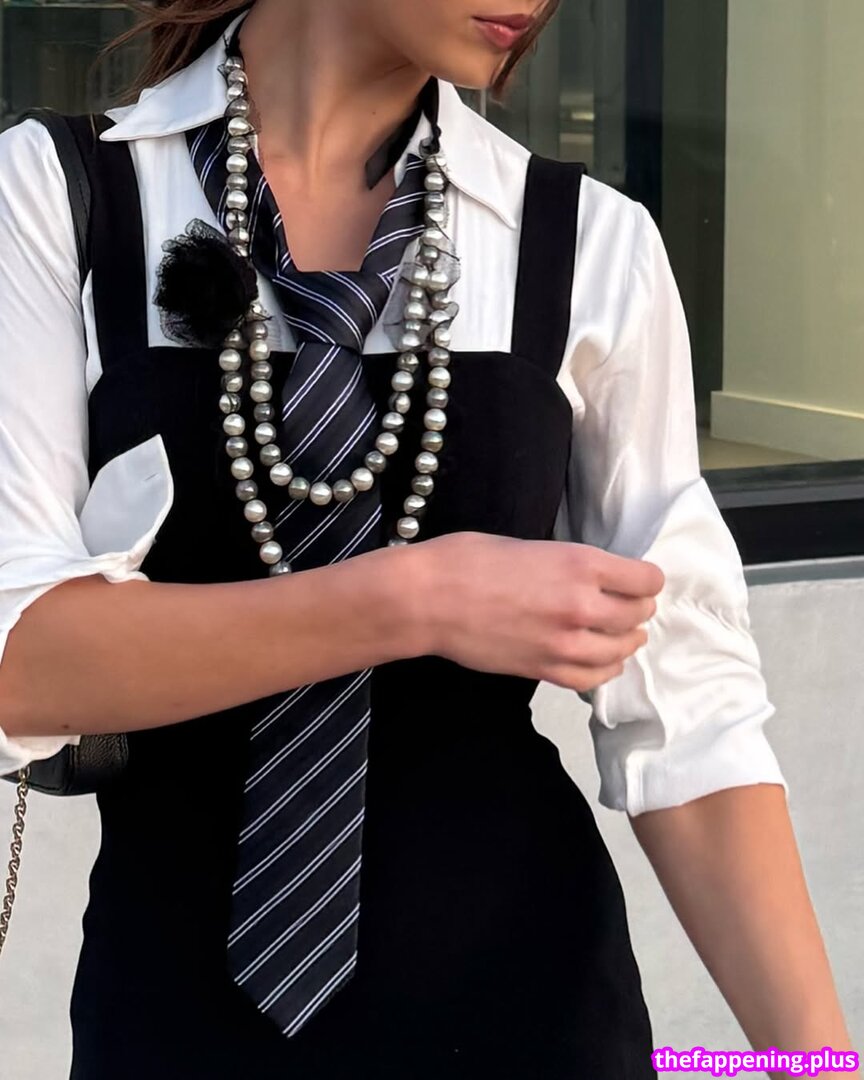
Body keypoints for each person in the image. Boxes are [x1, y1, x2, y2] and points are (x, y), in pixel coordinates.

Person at [0, 1, 857, 1077]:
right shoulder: (59, 195)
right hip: (172, 1024)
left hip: (536, 1019)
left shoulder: (588, 242)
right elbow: (21, 664)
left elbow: (692, 717)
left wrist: (820, 1065)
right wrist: (416, 597)